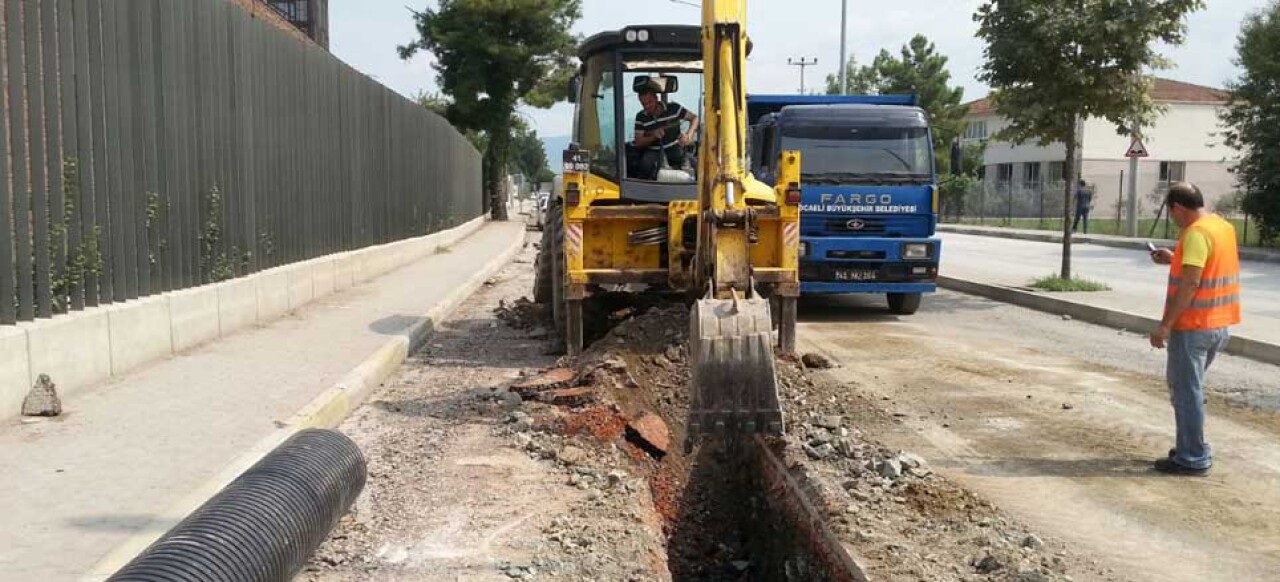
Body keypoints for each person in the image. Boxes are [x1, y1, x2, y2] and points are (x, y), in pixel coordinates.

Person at [1148, 182, 1241, 476]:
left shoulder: (1196, 235)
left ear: (1177, 208)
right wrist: (1174, 258)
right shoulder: (1220, 227)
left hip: (1194, 328)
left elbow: (1191, 284)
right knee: (1190, 389)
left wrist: (1164, 326)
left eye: (1171, 212)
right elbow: (1204, 266)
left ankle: (1193, 457)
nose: (1172, 219)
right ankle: (1191, 445)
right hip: (1219, 324)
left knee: (1186, 392)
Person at [632, 84, 699, 180]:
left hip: (675, 148)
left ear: (656, 98)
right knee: (644, 165)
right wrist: (653, 136)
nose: (647, 106)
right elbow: (638, 142)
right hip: (654, 152)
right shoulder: (640, 117)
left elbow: (694, 118)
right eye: (643, 104)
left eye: (650, 102)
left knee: (696, 165)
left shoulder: (674, 108)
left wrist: (688, 135)